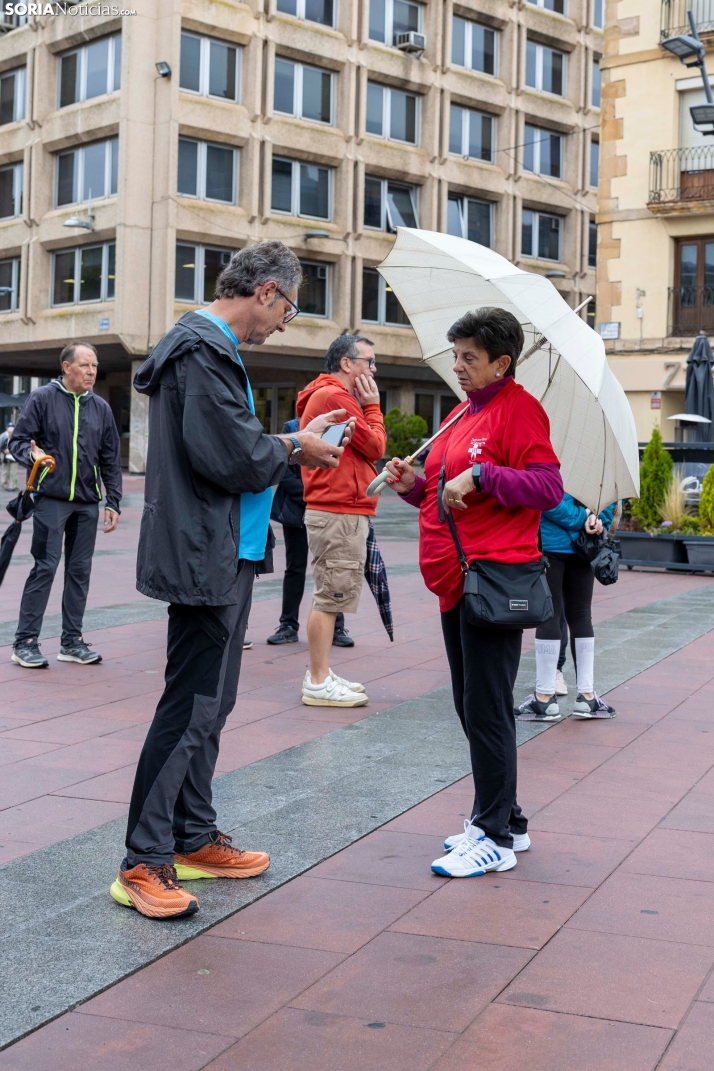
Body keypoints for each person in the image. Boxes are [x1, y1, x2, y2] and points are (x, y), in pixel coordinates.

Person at [113, 241, 354, 920]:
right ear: (268, 291)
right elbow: (233, 455)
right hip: (203, 555)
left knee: (211, 707)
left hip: (227, 550)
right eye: (289, 309)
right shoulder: (201, 348)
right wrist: (293, 444)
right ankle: (143, 857)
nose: (284, 324)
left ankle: (190, 834)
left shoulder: (212, 351)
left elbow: (233, 445)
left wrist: (288, 438)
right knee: (189, 706)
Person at [385, 308, 563, 878]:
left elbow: (548, 487)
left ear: (502, 363)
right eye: (455, 355)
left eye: (470, 357)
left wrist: (484, 476)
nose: (458, 366)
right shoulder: (465, 410)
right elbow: (446, 495)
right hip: (454, 578)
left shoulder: (519, 411)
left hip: (492, 575)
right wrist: (416, 486)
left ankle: (493, 837)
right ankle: (506, 815)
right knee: (471, 703)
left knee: (486, 708)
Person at [9, 344, 122, 668]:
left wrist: (112, 500)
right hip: (51, 501)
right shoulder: (42, 398)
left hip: (86, 503)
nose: (91, 371)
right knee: (44, 567)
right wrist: (32, 455)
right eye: (85, 365)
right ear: (66, 367)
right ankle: (25, 642)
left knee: (79, 571)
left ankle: (71, 642)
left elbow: (111, 460)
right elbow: (19, 441)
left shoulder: (100, 407)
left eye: (95, 366)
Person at [297, 335, 387, 708]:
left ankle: (320, 673)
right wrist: (374, 407)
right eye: (369, 361)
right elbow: (376, 446)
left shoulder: (328, 393)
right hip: (338, 510)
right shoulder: (336, 395)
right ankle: (317, 681)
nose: (373, 369)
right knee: (330, 597)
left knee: (332, 593)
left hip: (339, 508)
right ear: (347, 363)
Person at [515, 493, 617, 721]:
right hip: (584, 544)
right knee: (581, 615)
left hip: (550, 542)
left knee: (549, 615)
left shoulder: (549, 457)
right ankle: (587, 697)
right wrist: (597, 520)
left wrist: (583, 519)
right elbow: (611, 494)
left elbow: (545, 498)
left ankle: (544, 699)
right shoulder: (598, 458)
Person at [267, 416, 353, 648]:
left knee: (331, 568)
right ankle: (288, 626)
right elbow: (284, 471)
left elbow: (341, 468)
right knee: (295, 568)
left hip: (328, 508)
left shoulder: (340, 429)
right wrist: (310, 494)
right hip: (298, 511)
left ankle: (336, 628)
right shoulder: (292, 427)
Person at [1, 422, 19, 491]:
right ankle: (4, 484)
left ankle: (12, 486)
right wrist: (4, 451)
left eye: (11, 432)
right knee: (5, 471)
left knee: (13, 472)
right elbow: (1, 447)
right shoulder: (5, 438)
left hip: (13, 458)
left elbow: (18, 448)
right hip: (6, 458)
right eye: (9, 432)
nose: (10, 434)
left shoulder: (16, 440)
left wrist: (11, 450)